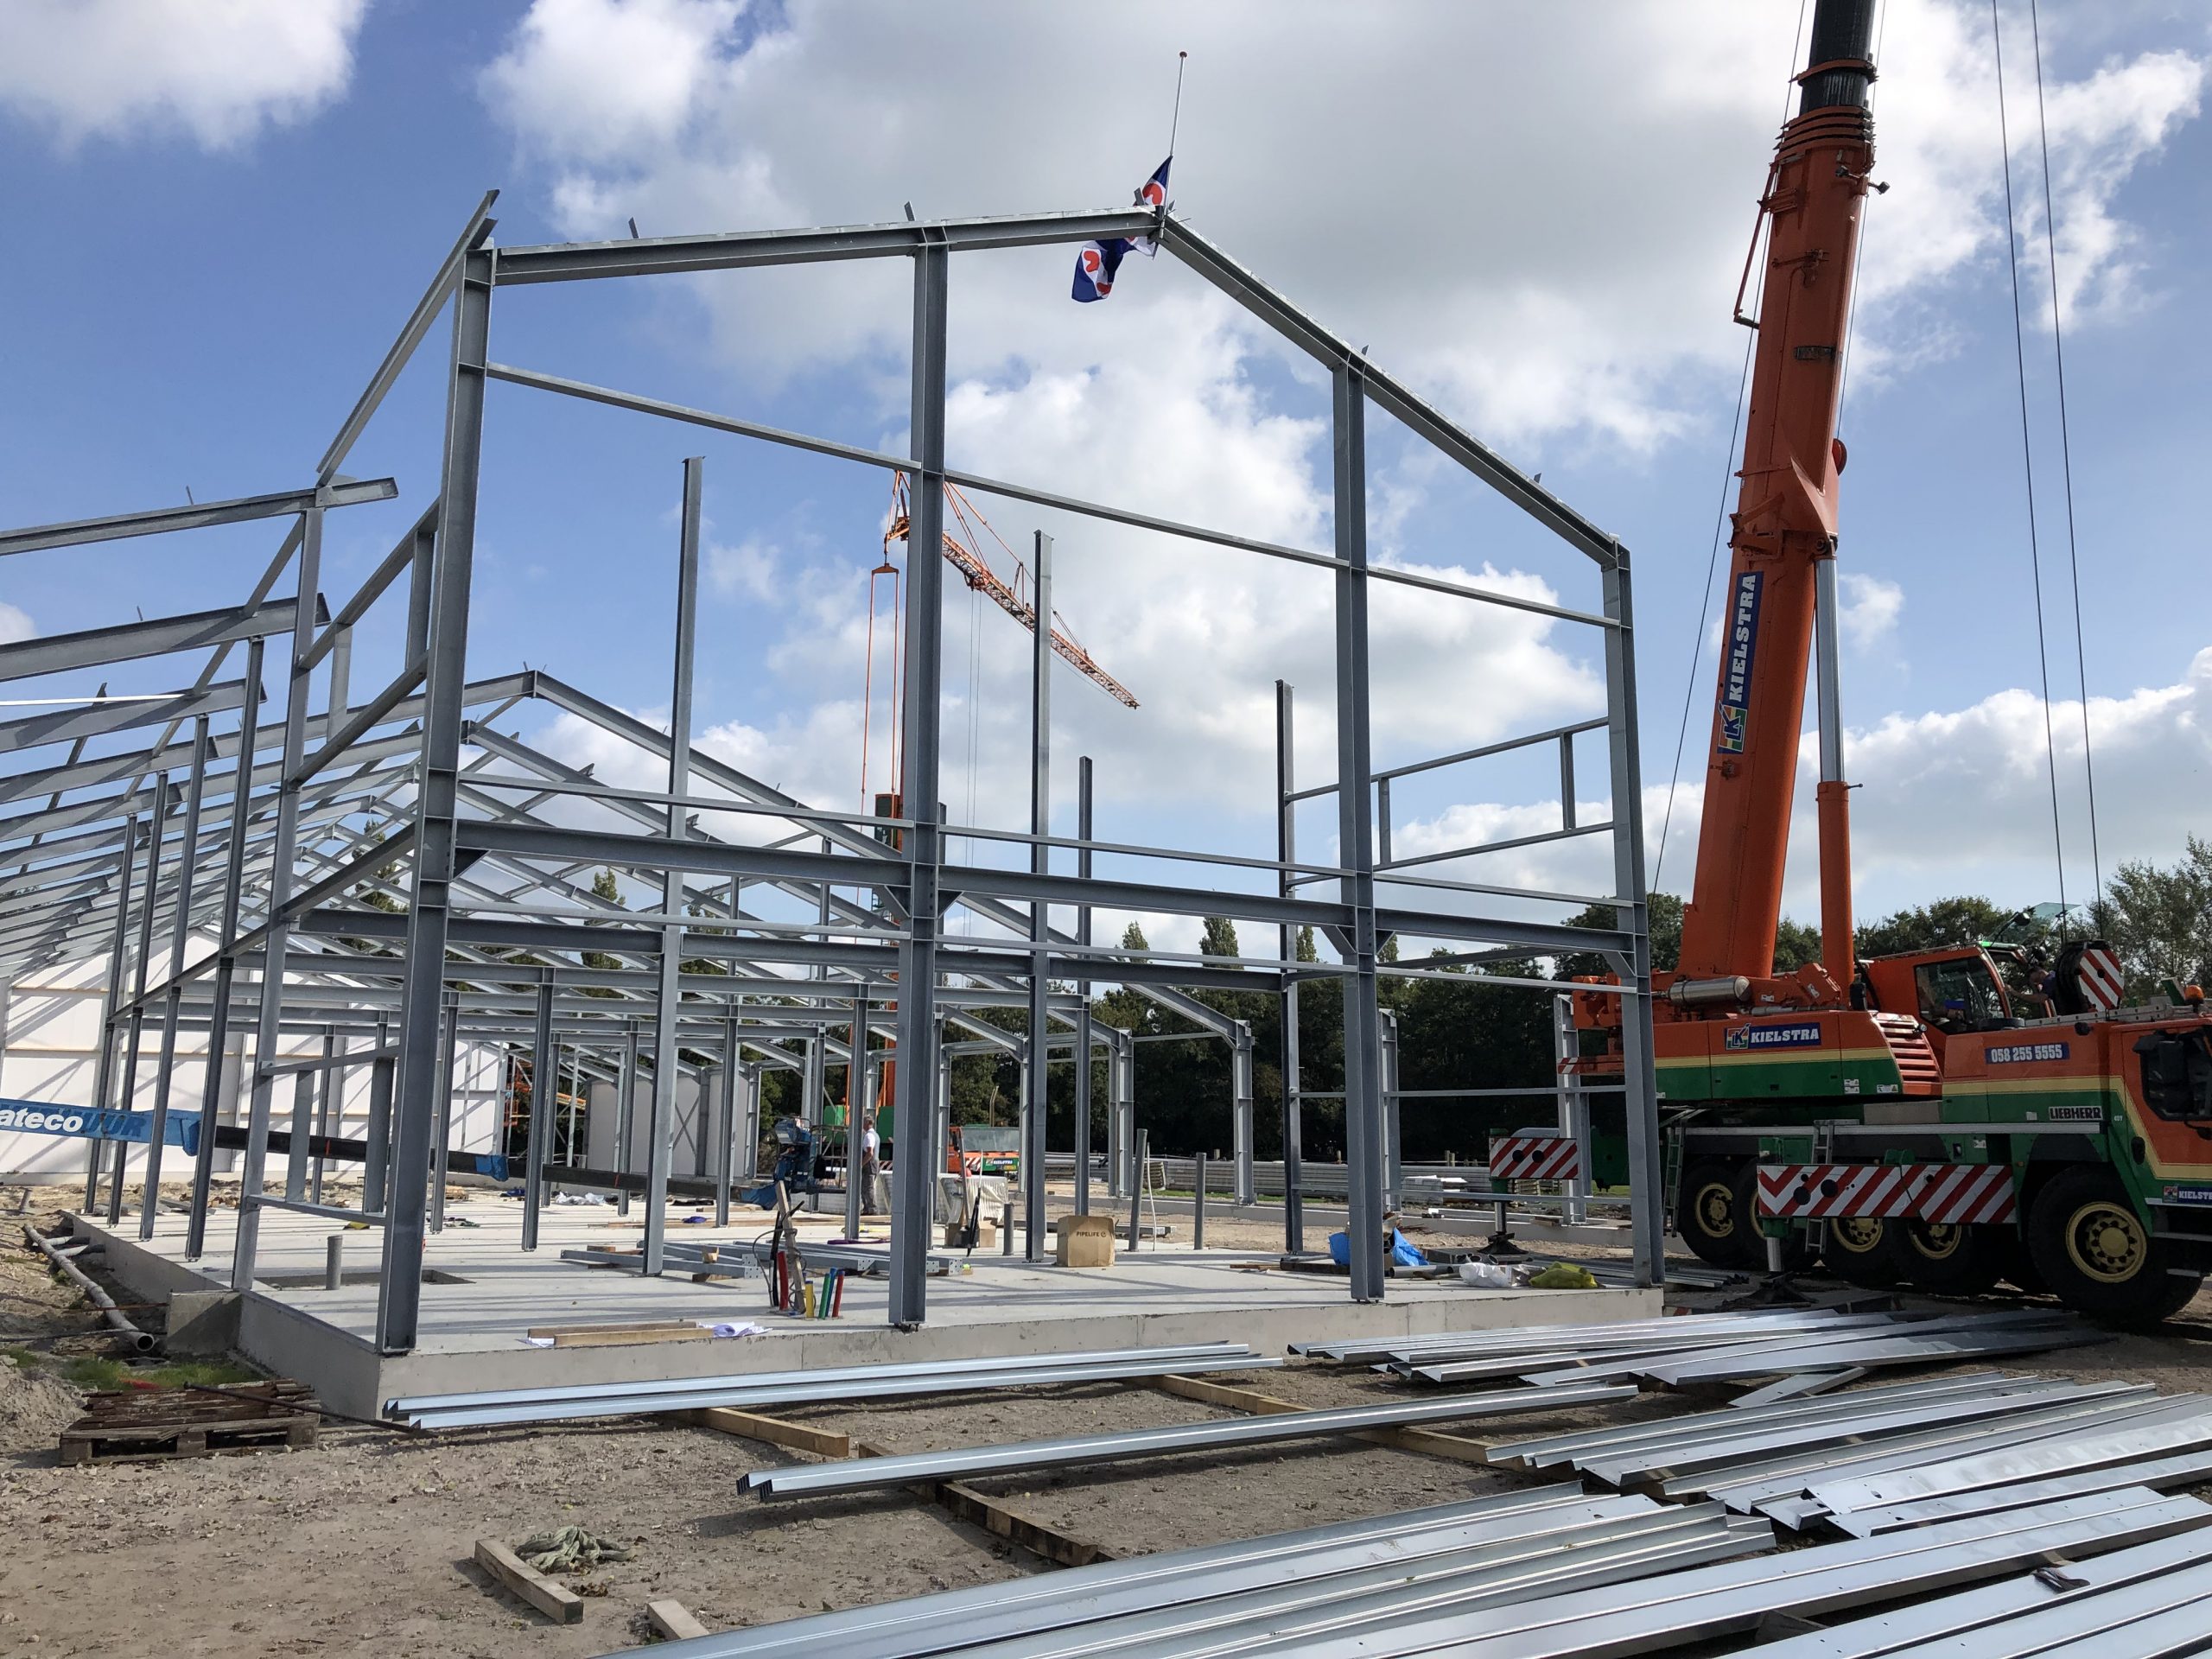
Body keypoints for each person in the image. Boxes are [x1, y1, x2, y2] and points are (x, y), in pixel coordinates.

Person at [861, 1112, 883, 1217]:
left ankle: (871, 1208)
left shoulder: (869, 1136)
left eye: (863, 1122)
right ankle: (868, 1208)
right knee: (866, 1186)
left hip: (869, 1165)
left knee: (868, 1187)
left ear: (867, 1123)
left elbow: (870, 1153)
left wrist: (861, 1164)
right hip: (874, 1163)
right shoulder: (876, 1135)